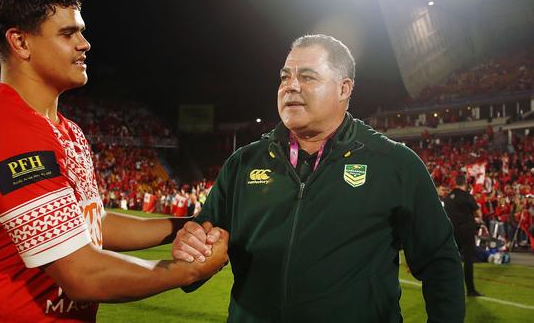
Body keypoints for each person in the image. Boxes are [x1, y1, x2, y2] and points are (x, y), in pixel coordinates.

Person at [0, 0, 228, 322]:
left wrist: (186, 225)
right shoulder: (4, 129)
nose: (85, 43)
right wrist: (189, 271)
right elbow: (82, 274)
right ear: (20, 42)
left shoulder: (68, 131)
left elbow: (96, 224)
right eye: (68, 33)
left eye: (80, 30)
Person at [172, 34, 465, 322]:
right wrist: (191, 248)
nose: (291, 86)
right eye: (285, 77)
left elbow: (440, 262)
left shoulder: (395, 164)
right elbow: (199, 250)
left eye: (308, 77)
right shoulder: (243, 163)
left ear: (344, 89)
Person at [443, 175, 483, 296]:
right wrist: (476, 220)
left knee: (451, 260)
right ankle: (470, 289)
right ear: (465, 183)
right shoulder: (467, 196)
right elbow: (478, 214)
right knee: (468, 261)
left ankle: (449, 288)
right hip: (466, 231)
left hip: (451, 232)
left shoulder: (447, 198)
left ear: (455, 183)